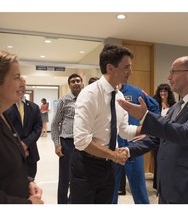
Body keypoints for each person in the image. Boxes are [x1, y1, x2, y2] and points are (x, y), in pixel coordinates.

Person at [118, 56, 188, 204]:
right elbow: (158, 137)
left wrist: (146, 116)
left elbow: (186, 134)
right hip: (168, 185)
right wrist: (128, 151)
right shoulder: (176, 107)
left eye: (173, 72)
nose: (169, 77)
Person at [70, 44, 141, 204]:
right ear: (110, 68)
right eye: (126, 67)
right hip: (86, 165)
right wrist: (114, 155)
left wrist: (149, 127)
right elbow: (82, 141)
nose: (130, 72)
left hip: (108, 167)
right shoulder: (89, 94)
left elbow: (124, 131)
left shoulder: (119, 95)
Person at [0, 50, 43, 204]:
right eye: (17, 77)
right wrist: (28, 205)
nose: (22, 83)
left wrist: (26, 182)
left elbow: (4, 168)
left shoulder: (0, 115)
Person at [112, 83, 160, 204]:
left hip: (133, 146)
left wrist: (148, 130)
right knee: (110, 189)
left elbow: (154, 108)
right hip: (112, 148)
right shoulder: (105, 93)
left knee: (138, 187)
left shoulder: (136, 92)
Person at [51, 73, 83, 204]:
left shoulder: (88, 99)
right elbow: (54, 123)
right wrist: (57, 144)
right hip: (67, 143)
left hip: (83, 143)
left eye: (78, 81)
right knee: (65, 177)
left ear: (82, 83)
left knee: (80, 176)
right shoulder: (64, 100)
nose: (76, 83)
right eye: (73, 81)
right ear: (69, 85)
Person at [4, 76, 43, 180]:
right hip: (11, 153)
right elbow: (4, 128)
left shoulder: (34, 107)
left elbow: (38, 127)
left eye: (23, 84)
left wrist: (25, 143)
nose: (22, 87)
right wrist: (18, 145)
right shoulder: (6, 106)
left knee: (30, 182)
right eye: (19, 84)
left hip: (31, 153)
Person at [152, 83, 176, 189]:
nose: (163, 93)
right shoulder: (155, 104)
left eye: (165, 91)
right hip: (157, 135)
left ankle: (167, 183)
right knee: (158, 160)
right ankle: (157, 184)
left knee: (168, 160)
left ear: (168, 93)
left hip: (169, 136)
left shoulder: (174, 105)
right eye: (161, 91)